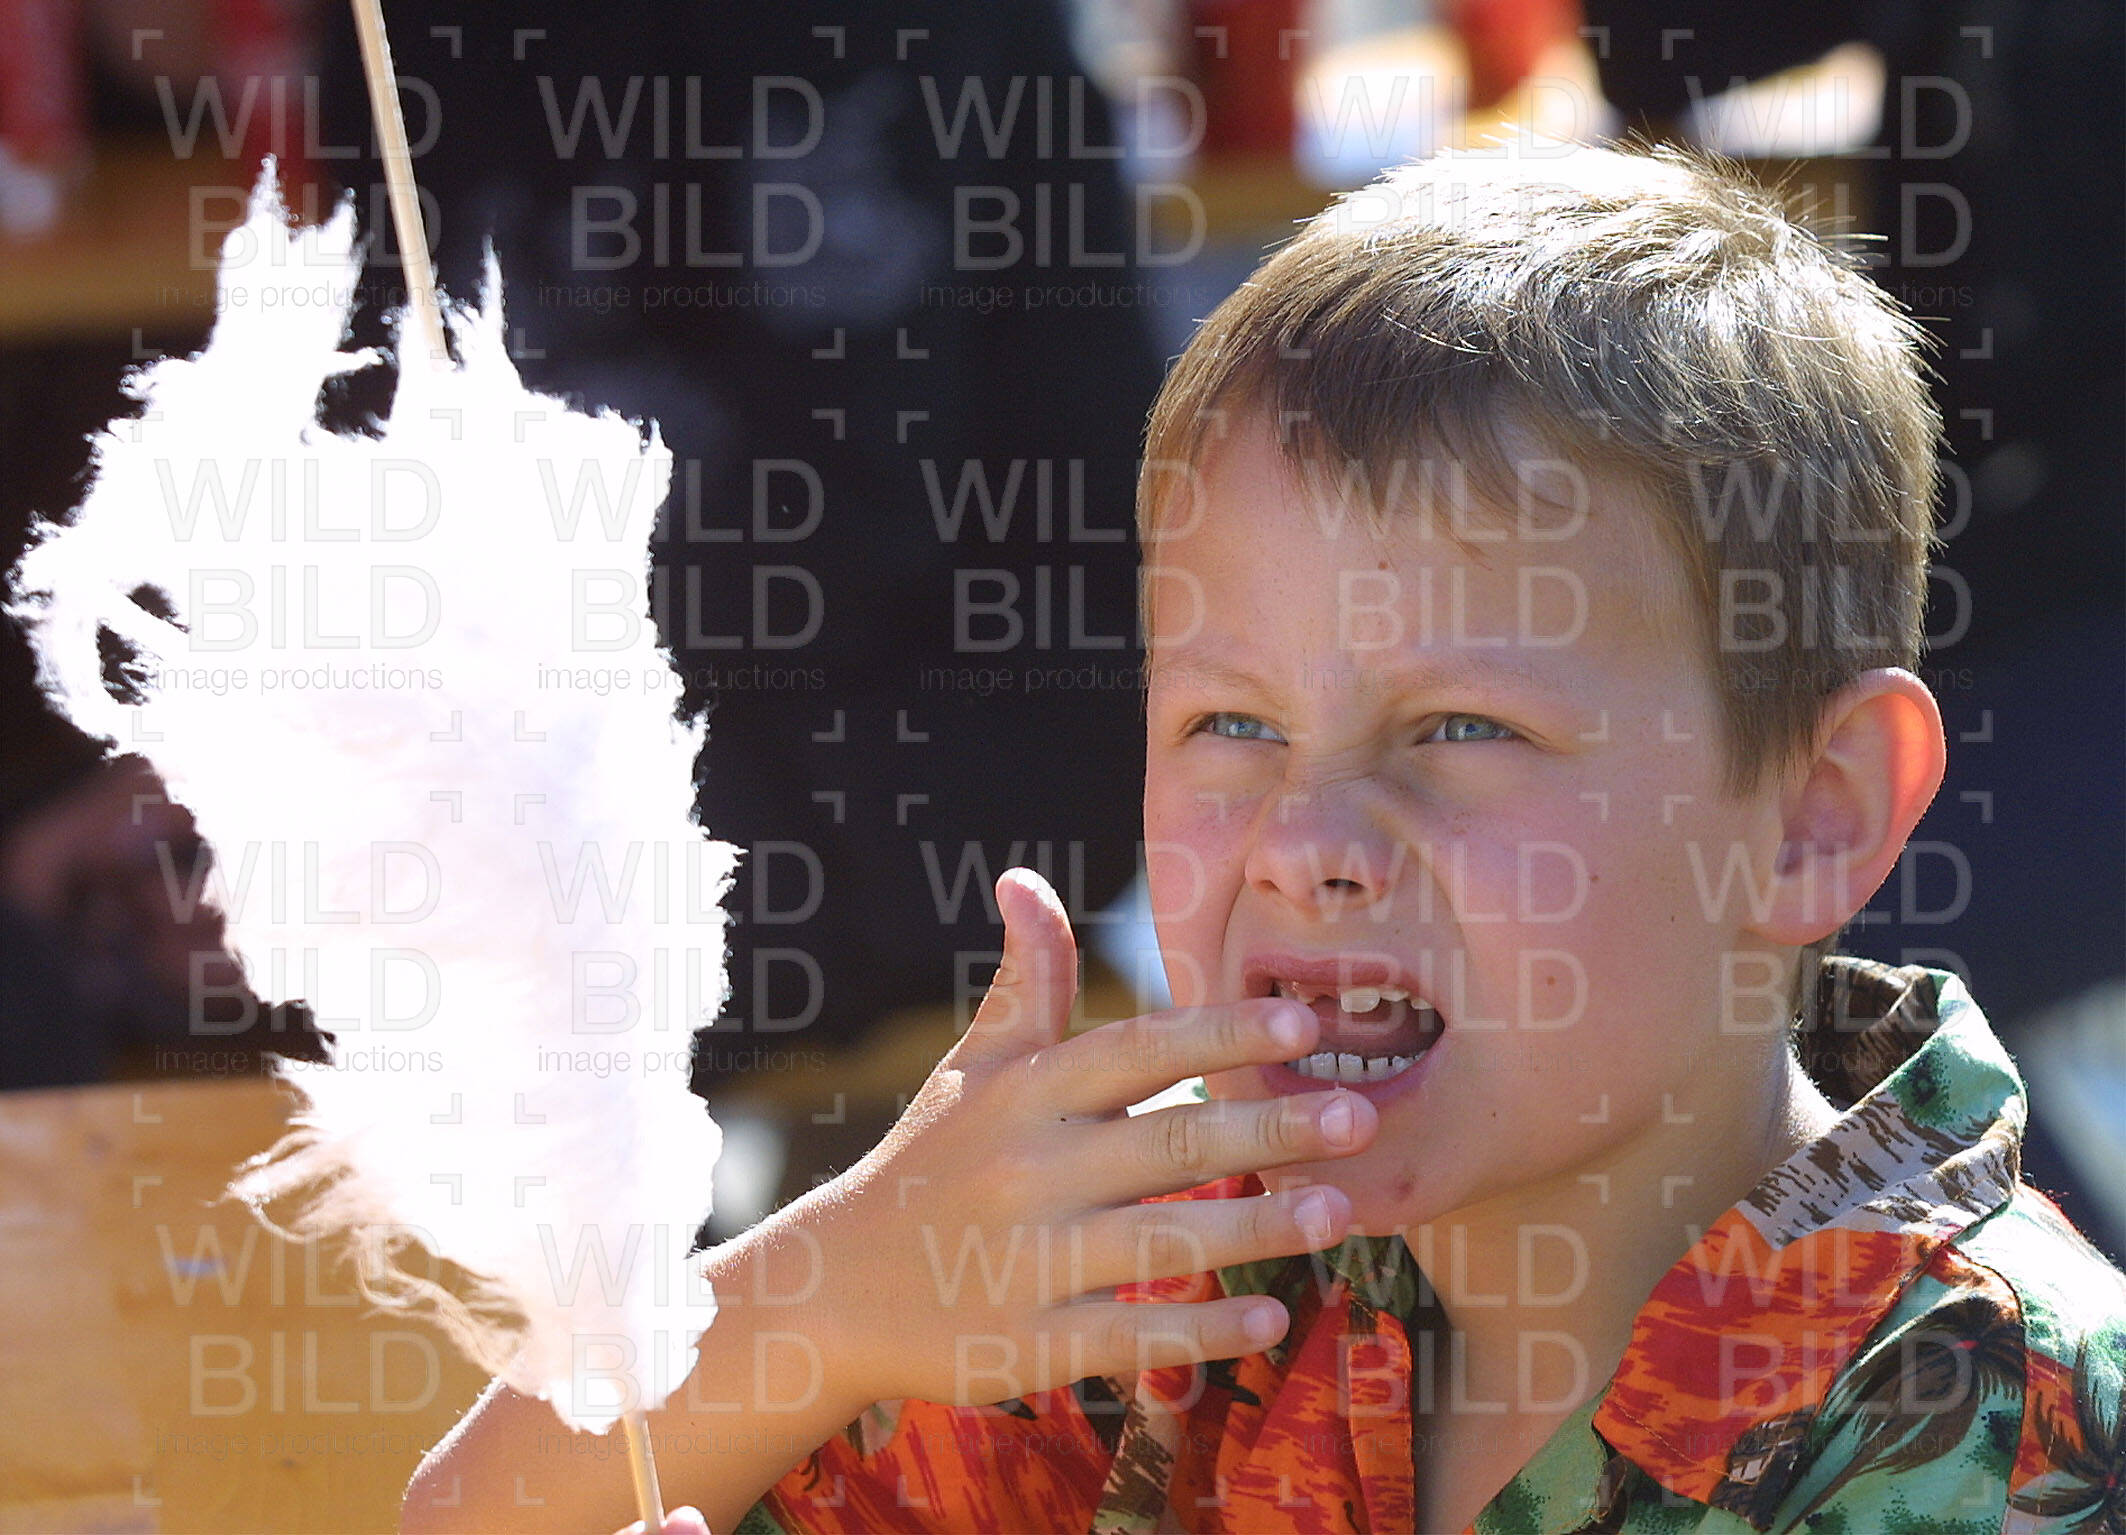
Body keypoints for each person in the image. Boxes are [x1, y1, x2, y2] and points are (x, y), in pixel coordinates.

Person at [403, 137, 2126, 1535]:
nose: (1306, 836)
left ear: (1814, 815)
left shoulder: (1996, 1434)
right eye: (1231, 724)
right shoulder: (1174, 1272)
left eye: (1459, 728)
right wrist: (830, 1288)